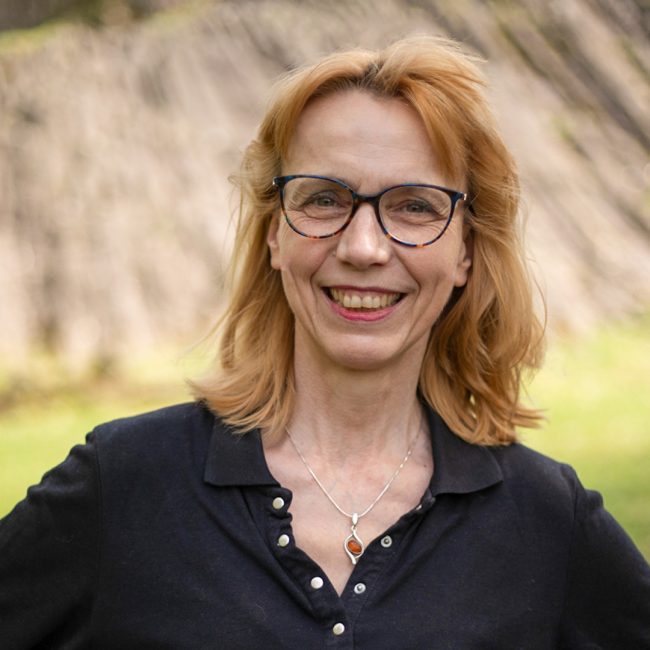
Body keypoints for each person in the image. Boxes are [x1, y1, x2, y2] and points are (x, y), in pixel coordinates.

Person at [1, 36, 649, 649]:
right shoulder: (125, 484)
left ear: (466, 251)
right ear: (274, 234)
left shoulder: (543, 519)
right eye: (324, 200)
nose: (363, 248)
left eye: (415, 206)